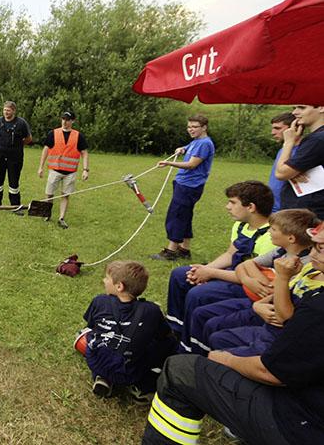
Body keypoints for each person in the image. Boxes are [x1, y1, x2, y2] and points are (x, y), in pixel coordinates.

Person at [141, 225, 324, 444]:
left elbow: (272, 372)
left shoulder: (318, 307)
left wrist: (224, 359)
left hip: (300, 424)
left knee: (179, 370)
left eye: (320, 249)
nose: (311, 253)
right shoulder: (311, 283)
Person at [162, 181, 274, 352]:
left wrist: (211, 272)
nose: (227, 206)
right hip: (232, 273)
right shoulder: (241, 225)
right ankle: (175, 329)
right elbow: (230, 254)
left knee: (198, 294)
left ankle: (189, 345)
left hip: (248, 285)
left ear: (251, 207)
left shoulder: (271, 237)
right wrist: (203, 270)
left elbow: (256, 279)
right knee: (180, 274)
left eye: (232, 202)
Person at [187, 208, 317, 355]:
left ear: (291, 238)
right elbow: (246, 265)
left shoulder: (302, 264)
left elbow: (275, 293)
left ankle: (204, 360)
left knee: (213, 324)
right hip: (257, 301)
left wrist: (261, 284)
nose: (269, 232)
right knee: (201, 313)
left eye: (273, 229)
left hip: (268, 312)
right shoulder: (280, 251)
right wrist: (252, 280)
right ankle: (192, 354)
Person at [78, 261, 176, 402]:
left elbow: (91, 325)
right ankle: (144, 387)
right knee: (168, 343)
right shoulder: (151, 310)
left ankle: (102, 377)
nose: (104, 281)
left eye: (107, 278)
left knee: (97, 337)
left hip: (97, 362)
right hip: (130, 372)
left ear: (119, 286)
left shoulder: (99, 301)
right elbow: (164, 334)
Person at [152, 115, 215, 260]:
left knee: (177, 215)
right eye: (189, 127)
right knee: (185, 216)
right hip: (185, 184)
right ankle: (184, 250)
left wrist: (169, 164)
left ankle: (171, 252)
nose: (191, 130)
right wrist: (183, 149)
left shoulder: (205, 143)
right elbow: (190, 148)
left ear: (204, 127)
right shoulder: (197, 141)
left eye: (194, 127)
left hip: (189, 186)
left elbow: (192, 164)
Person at [37, 110, 89, 229]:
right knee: (49, 194)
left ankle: (61, 218)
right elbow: (45, 150)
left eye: (67, 120)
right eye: (63, 119)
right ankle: (47, 214)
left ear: (72, 121)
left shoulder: (78, 136)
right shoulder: (53, 133)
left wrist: (86, 169)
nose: (65, 122)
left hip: (70, 173)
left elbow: (84, 153)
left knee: (65, 195)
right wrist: (41, 167)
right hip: (54, 170)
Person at [275, 104, 324, 219]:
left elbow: (281, 173)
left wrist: (288, 142)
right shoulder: (315, 138)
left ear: (321, 107)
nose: (295, 112)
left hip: (308, 213)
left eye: (301, 108)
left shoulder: (318, 139)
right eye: (294, 108)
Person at [0, 101, 32, 208]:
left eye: (8, 110)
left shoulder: (21, 123)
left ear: (14, 111)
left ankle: (15, 205)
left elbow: (28, 138)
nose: (6, 112)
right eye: (4, 110)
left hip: (15, 156)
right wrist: (1, 145)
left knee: (14, 180)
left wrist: (17, 146)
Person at [268, 112, 296, 213]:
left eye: (278, 128)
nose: (273, 132)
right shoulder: (283, 150)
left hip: (287, 209)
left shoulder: (302, 152)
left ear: (292, 128)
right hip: (272, 206)